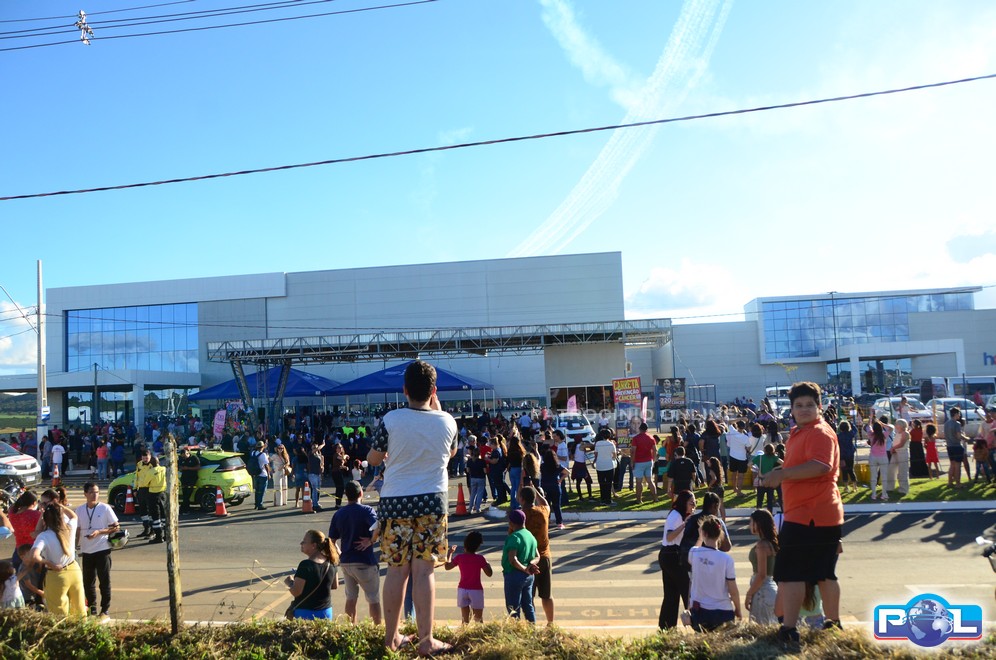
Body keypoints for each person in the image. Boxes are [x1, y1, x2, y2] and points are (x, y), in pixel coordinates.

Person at [366, 360, 458, 656]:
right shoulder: (448, 421)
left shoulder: (391, 419)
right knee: (424, 572)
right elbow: (451, 452)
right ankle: (426, 640)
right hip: (432, 501)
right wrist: (438, 409)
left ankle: (391, 638)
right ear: (433, 391)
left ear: (404, 389)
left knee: (396, 571)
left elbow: (374, 459)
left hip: (395, 502)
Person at [760, 381, 845, 645]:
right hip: (819, 512)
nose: (804, 409)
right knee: (824, 573)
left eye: (810, 404)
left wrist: (783, 474)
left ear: (819, 407)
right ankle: (833, 624)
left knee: (791, 573)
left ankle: (789, 629)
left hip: (808, 514)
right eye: (799, 405)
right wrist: (781, 472)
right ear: (792, 409)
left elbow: (821, 466)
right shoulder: (802, 432)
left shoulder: (819, 432)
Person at [327, 480, 381, 625]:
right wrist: (371, 541)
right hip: (364, 560)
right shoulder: (367, 511)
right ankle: (376, 629)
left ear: (346, 495)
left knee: (351, 598)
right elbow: (378, 526)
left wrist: (340, 553)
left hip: (346, 562)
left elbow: (331, 540)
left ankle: (350, 628)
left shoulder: (339, 514)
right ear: (361, 493)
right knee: (373, 599)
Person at [681, 515, 741, 631]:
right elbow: (733, 589)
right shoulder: (726, 559)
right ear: (719, 534)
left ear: (703, 533)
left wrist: (700, 538)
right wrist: (738, 609)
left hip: (699, 613)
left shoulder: (694, 553)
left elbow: (694, 550)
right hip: (723, 612)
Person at [30, 503, 85, 617]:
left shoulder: (44, 536)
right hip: (74, 570)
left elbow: (34, 556)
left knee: (58, 612)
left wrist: (49, 563)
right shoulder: (69, 528)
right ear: (61, 516)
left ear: (45, 520)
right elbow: (74, 516)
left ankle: (64, 628)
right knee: (79, 608)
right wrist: (60, 506)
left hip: (56, 574)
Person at [74, 482, 119, 620]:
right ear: (85, 494)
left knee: (104, 581)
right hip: (87, 551)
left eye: (97, 492)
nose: (95, 495)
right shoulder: (80, 510)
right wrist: (75, 546)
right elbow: (78, 530)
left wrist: (99, 532)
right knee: (88, 582)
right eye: (92, 492)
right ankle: (92, 608)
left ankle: (105, 610)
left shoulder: (105, 508)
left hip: (102, 549)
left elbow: (116, 527)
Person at [283, 529, 339, 620]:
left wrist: (290, 582)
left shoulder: (306, 565)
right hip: (326, 612)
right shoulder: (331, 562)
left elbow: (296, 592)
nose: (301, 543)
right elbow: (334, 586)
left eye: (304, 541)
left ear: (314, 545)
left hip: (306, 612)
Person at [658, 490, 695, 629]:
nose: (694, 506)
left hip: (669, 555)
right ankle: (696, 623)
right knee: (687, 590)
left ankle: (667, 627)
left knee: (672, 594)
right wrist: (684, 524)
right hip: (671, 555)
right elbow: (669, 537)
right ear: (683, 503)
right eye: (691, 503)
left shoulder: (680, 515)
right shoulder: (676, 516)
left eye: (695, 503)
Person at [519, 485, 556, 624]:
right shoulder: (543, 511)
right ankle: (550, 624)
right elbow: (545, 503)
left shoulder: (520, 516)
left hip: (528, 560)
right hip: (545, 557)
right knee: (547, 595)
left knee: (529, 597)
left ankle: (531, 625)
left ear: (522, 499)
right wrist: (535, 489)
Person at [444, 531, 493, 624]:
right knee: (478, 620)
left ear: (465, 544)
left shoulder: (459, 557)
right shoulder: (480, 558)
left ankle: (464, 632)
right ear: (478, 546)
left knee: (465, 621)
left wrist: (450, 553)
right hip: (476, 590)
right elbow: (489, 573)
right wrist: (487, 563)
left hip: (462, 590)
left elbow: (447, 567)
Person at [502, 509, 540, 623]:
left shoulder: (514, 537)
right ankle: (532, 629)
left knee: (513, 608)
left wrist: (524, 569)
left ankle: (516, 630)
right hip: (529, 577)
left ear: (511, 523)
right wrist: (531, 565)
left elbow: (512, 559)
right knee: (528, 605)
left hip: (514, 575)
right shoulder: (530, 535)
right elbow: (537, 556)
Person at [744, 509, 778, 624]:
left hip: (762, 592)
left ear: (758, 524)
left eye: (751, 522)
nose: (749, 525)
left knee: (760, 627)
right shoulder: (770, 543)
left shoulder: (761, 545)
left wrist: (749, 594)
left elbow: (761, 575)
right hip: (768, 589)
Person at [538, 446, 567, 529]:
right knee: (557, 506)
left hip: (545, 487)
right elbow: (567, 472)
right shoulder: (557, 466)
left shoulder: (542, 466)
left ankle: (547, 520)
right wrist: (560, 480)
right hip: (555, 487)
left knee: (546, 505)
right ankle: (559, 523)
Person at [630, 423, 658, 504]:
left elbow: (633, 451)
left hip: (639, 461)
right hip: (649, 461)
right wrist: (654, 459)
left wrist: (632, 461)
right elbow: (655, 449)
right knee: (650, 480)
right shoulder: (651, 437)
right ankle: (655, 498)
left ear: (640, 429)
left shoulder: (636, 438)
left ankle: (639, 500)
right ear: (647, 429)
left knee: (639, 482)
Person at [725, 421, 754, 496]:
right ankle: (739, 492)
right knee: (741, 476)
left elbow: (729, 422)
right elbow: (749, 448)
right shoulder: (745, 437)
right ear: (744, 427)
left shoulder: (733, 432)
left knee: (734, 474)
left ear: (737, 426)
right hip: (742, 458)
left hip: (733, 456)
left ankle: (734, 488)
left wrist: (740, 418)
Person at [752, 445, 781, 511]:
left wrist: (758, 470)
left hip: (761, 480)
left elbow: (749, 464)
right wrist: (774, 468)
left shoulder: (759, 457)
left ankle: (758, 514)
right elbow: (783, 463)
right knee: (769, 501)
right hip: (770, 480)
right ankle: (769, 514)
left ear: (764, 450)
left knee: (759, 500)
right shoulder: (773, 457)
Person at [944, 407, 968, 488]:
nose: (959, 415)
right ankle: (958, 483)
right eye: (959, 413)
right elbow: (958, 436)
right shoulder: (957, 423)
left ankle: (950, 482)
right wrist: (966, 438)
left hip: (949, 446)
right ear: (955, 414)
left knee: (952, 465)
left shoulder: (946, 423)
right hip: (956, 446)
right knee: (958, 466)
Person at [886, 419, 910, 496]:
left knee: (902, 471)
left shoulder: (905, 433)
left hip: (902, 452)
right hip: (895, 452)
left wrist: (893, 448)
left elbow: (902, 444)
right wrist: (893, 448)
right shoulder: (897, 433)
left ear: (902, 425)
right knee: (891, 470)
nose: (896, 426)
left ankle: (903, 489)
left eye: (897, 424)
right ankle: (889, 487)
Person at [592, 429, 617, 506]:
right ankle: (608, 500)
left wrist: (594, 462)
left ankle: (602, 499)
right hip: (609, 465)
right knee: (609, 483)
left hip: (600, 465)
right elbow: (614, 456)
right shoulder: (611, 444)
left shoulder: (598, 443)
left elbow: (596, 455)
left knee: (602, 483)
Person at [147, 456, 167, 544]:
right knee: (164, 515)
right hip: (162, 494)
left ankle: (158, 537)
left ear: (151, 463)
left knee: (155, 517)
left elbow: (145, 482)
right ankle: (166, 535)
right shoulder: (164, 469)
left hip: (153, 494)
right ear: (159, 462)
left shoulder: (150, 472)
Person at [134, 449, 154, 539]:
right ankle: (146, 529)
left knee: (151, 511)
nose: (145, 459)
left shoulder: (153, 465)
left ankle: (152, 530)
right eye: (144, 458)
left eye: (147, 458)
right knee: (143, 511)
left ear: (150, 457)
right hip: (141, 489)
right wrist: (135, 489)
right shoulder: (139, 464)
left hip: (150, 489)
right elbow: (136, 477)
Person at [836, 421, 858, 492]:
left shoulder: (838, 436)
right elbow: (855, 430)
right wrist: (851, 423)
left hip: (842, 455)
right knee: (851, 470)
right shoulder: (850, 434)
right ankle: (855, 486)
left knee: (844, 470)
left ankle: (846, 487)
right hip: (850, 454)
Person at [178, 447, 201, 514]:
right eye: (183, 456)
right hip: (184, 478)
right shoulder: (181, 459)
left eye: (185, 456)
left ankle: (183, 509)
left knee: (188, 494)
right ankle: (186, 509)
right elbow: (179, 467)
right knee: (185, 494)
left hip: (192, 478)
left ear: (188, 453)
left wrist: (188, 468)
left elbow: (198, 467)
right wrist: (181, 468)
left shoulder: (194, 458)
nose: (184, 457)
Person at [250, 440, 271, 511]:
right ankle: (260, 504)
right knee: (262, 490)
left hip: (255, 474)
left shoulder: (253, 453)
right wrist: (269, 474)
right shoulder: (263, 455)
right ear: (262, 447)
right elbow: (266, 465)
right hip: (262, 474)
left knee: (257, 490)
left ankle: (256, 504)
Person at [270, 441, 291, 507]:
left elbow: (288, 462)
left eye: (282, 448)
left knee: (284, 487)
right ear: (277, 449)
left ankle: (284, 501)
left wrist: (284, 466)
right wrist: (270, 469)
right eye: (279, 448)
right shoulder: (274, 456)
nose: (280, 450)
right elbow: (268, 461)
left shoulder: (286, 455)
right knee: (278, 487)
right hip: (277, 472)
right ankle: (278, 502)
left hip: (284, 472)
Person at [307, 439, 325, 512]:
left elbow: (322, 464)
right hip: (312, 474)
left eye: (315, 444)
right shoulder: (310, 453)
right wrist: (323, 444)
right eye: (313, 445)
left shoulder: (319, 455)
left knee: (318, 490)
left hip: (318, 474)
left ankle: (316, 502)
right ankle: (315, 505)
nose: (314, 446)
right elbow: (317, 449)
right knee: (314, 489)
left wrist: (322, 469)